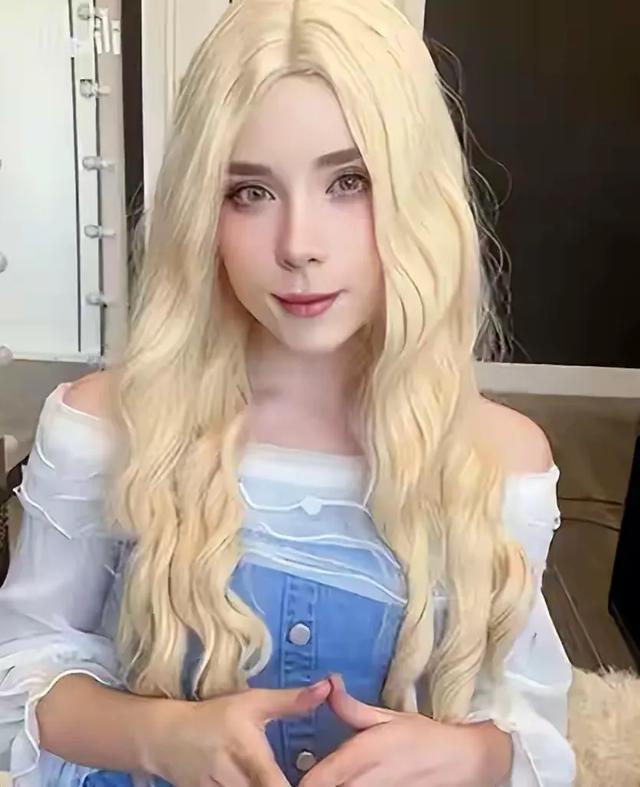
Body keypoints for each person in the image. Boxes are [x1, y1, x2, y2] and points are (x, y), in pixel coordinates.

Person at [0, 0, 576, 784]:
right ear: (203, 212)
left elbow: (531, 720)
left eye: (349, 181)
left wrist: (472, 754)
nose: (299, 245)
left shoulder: (499, 462)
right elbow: (20, 673)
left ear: (418, 194)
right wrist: (158, 735)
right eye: (250, 192)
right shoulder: (103, 428)